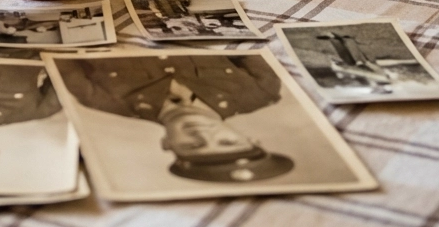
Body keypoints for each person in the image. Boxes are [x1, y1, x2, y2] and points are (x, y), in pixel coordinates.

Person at [55, 54, 294, 183]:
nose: (202, 134)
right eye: (227, 142)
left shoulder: (102, 100)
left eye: (192, 145)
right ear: (246, 137)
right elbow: (246, 42)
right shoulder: (261, 91)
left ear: (167, 144)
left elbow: (62, 57)